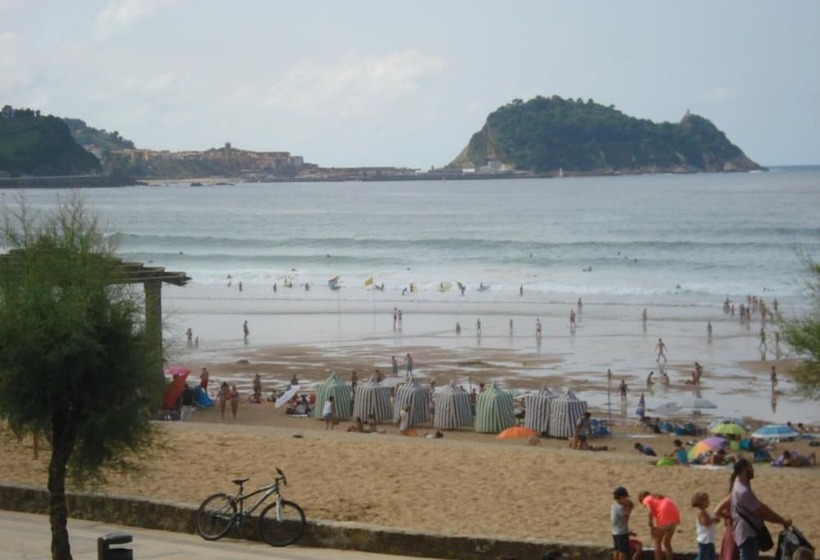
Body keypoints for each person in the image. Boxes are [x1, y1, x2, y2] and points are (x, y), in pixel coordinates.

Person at [731, 457, 791, 560]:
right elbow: (760, 512)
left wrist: (779, 518)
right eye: (750, 467)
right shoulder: (743, 491)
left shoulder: (739, 484)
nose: (752, 469)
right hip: (748, 534)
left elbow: (760, 506)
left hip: (745, 532)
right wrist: (781, 520)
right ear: (744, 470)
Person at [639, 491, 681, 560]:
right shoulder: (659, 497)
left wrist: (651, 524)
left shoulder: (647, 499)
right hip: (675, 517)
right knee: (667, 543)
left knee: (657, 542)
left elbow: (650, 512)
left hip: (664, 517)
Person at [692, 492, 720, 560]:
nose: (708, 502)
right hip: (705, 540)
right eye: (706, 500)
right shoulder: (701, 512)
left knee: (711, 556)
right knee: (702, 557)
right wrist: (714, 519)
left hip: (709, 539)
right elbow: (706, 523)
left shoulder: (704, 512)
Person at [612, 486, 632, 560]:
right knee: (623, 551)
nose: (626, 499)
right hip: (622, 533)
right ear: (621, 497)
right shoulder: (620, 508)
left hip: (615, 532)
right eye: (625, 497)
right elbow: (626, 519)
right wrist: (628, 509)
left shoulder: (613, 506)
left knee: (616, 549)